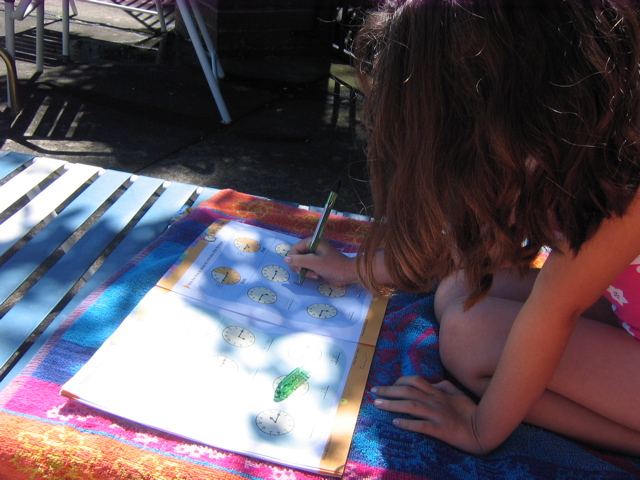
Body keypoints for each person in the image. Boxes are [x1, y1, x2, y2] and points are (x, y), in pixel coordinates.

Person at [284, 0, 640, 456]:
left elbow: (555, 311)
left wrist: (480, 428)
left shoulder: (624, 184)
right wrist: (357, 269)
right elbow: (478, 248)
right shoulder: (556, 136)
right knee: (461, 289)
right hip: (627, 315)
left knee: (471, 340)